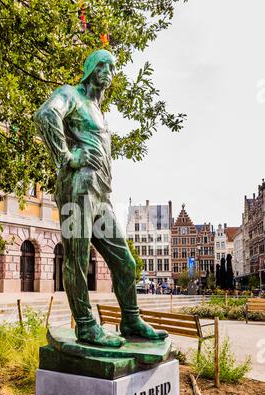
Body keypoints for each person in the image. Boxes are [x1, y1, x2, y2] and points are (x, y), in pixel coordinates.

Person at [35, 49, 167, 348]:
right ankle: (85, 326)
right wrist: (64, 156)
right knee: (77, 259)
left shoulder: (98, 109)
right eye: (103, 64)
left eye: (112, 66)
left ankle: (131, 320)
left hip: (100, 194)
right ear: (90, 68)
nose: (108, 70)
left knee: (125, 261)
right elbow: (45, 114)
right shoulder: (71, 95)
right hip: (77, 188)